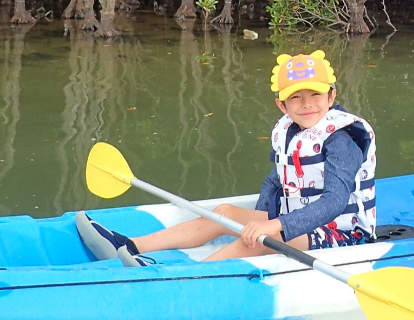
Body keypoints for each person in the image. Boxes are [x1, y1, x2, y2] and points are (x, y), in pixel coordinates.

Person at [77, 50, 377, 266]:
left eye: (315, 95)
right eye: (296, 97)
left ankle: (195, 275)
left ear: (331, 97)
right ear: (282, 104)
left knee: (260, 241)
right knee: (225, 212)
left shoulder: (342, 140)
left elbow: (334, 202)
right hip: (298, 223)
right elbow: (277, 181)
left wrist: (272, 228)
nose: (307, 104)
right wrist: (260, 219)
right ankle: (130, 246)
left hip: (344, 233)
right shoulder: (291, 131)